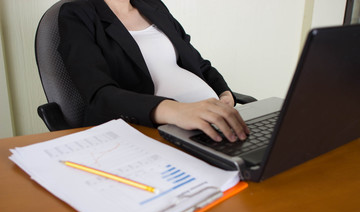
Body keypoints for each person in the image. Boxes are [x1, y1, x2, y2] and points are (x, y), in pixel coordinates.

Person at [58, 0, 250, 143]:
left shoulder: (153, 5)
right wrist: (177, 111)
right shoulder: (77, 14)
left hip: (212, 124)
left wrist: (224, 92)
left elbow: (198, 63)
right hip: (150, 133)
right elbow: (99, 95)